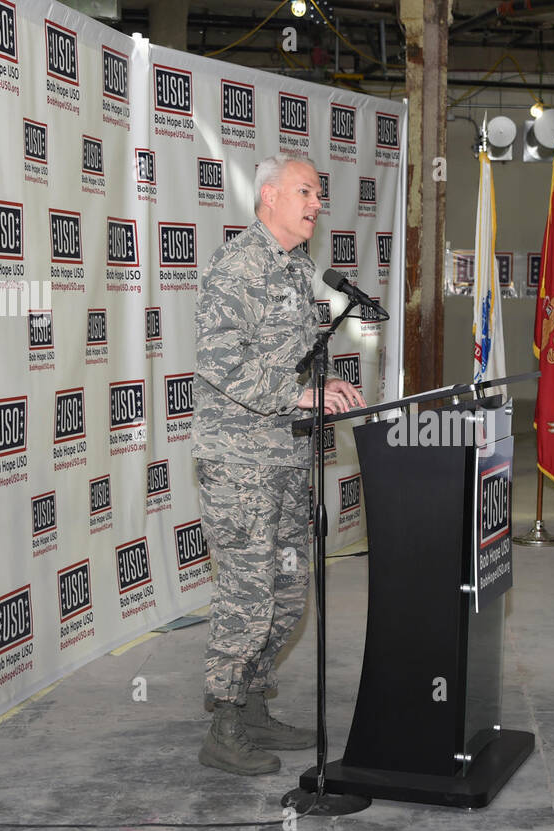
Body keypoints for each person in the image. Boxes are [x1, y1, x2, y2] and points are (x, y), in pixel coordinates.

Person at [192, 155, 365, 775]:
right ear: (268, 196)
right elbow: (219, 360)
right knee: (248, 593)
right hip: (240, 462)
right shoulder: (239, 264)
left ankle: (254, 704)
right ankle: (224, 723)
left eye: (319, 193)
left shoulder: (296, 269)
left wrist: (327, 382)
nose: (316, 203)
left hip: (286, 457)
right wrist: (298, 395)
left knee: (290, 590)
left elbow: (291, 356)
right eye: (305, 191)